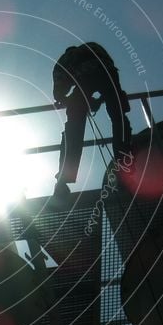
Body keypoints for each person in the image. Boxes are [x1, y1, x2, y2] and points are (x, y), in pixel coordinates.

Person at [51, 42, 132, 204]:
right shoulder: (94, 46)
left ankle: (63, 180)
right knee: (118, 118)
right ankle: (124, 167)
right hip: (107, 73)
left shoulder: (64, 61)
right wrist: (98, 100)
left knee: (74, 127)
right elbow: (110, 77)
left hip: (85, 77)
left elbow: (59, 94)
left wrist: (75, 101)